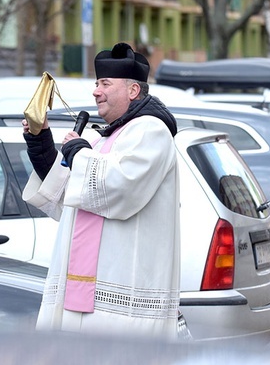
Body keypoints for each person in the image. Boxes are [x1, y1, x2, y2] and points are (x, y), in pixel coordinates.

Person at [21, 42, 181, 339]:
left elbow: (120, 187)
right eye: (96, 83)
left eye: (105, 83)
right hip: (83, 288)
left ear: (133, 91)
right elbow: (69, 191)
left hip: (122, 284)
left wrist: (79, 153)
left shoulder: (151, 130)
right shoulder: (107, 136)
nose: (95, 91)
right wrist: (40, 139)